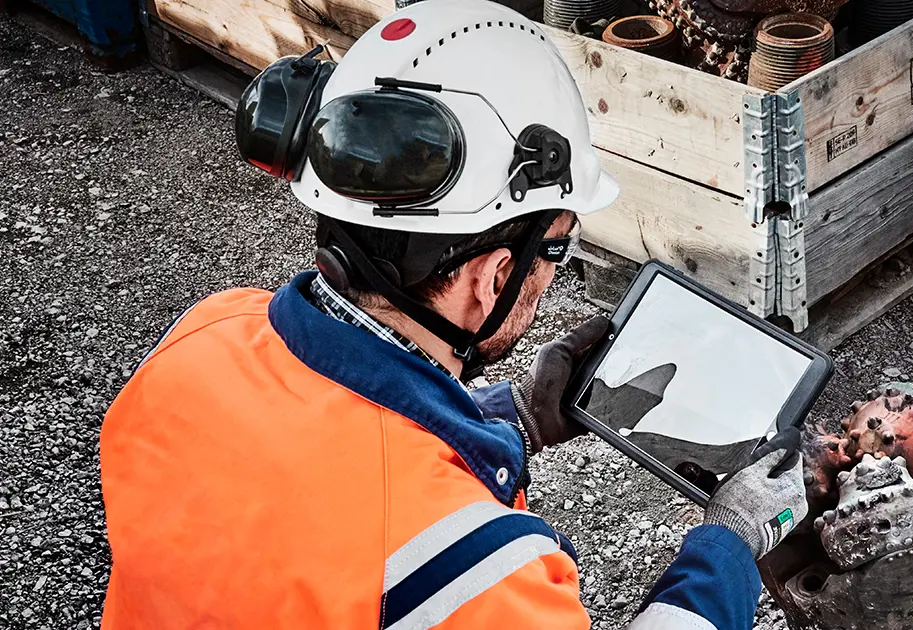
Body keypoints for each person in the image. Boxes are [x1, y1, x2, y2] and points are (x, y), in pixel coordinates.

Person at [98, 1, 810, 628]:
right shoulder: (469, 572)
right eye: (557, 249)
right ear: (492, 277)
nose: (551, 276)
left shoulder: (205, 333)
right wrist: (731, 542)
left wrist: (514, 416)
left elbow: (321, 459)